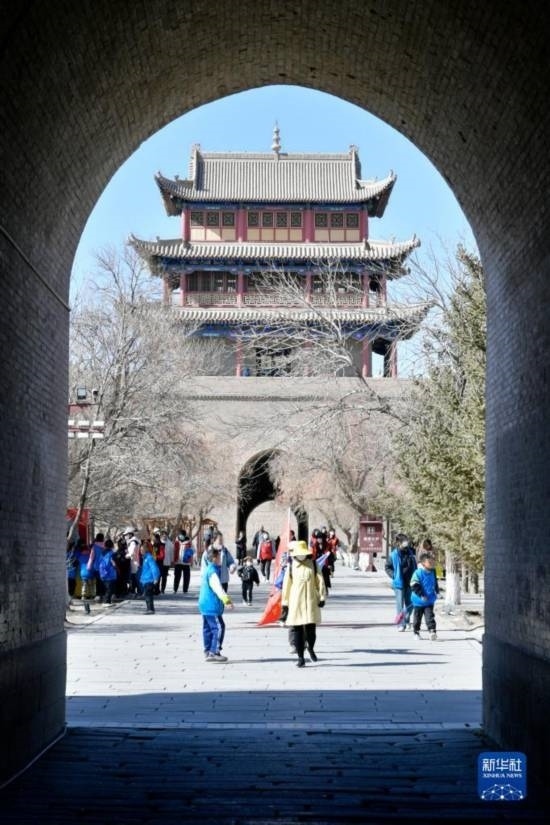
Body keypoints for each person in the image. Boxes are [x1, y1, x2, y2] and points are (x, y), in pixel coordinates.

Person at [281, 540, 326, 667]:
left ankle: (310, 648)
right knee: (297, 631)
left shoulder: (313, 564)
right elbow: (286, 586)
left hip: (311, 601)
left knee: (311, 631)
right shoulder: (291, 567)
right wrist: (285, 603)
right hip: (296, 602)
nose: (301, 556)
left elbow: (320, 581)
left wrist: (322, 597)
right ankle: (300, 657)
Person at [198, 546, 234, 662]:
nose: (220, 559)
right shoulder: (212, 572)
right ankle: (214, 651)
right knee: (218, 627)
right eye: (219, 557)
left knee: (207, 628)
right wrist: (226, 601)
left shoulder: (208, 569)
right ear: (214, 558)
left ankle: (207, 650)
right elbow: (218, 588)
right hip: (211, 605)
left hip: (204, 604)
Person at [385, 533, 417, 631]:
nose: (406, 542)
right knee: (400, 605)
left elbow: (415, 565)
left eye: (406, 540)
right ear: (399, 542)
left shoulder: (411, 552)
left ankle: (406, 620)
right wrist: (394, 576)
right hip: (399, 583)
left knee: (411, 604)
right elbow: (387, 567)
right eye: (404, 541)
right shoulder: (393, 555)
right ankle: (400, 624)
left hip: (411, 582)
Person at [410, 545, 439, 640]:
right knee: (417, 617)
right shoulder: (418, 573)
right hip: (418, 600)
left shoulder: (432, 572)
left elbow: (434, 583)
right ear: (423, 563)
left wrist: (437, 592)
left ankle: (432, 631)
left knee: (430, 616)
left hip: (429, 600)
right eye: (429, 562)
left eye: (432, 562)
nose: (431, 564)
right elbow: (414, 585)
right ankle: (416, 632)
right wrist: (421, 595)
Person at [139, 542, 160, 614]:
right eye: (140, 550)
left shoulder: (149, 558)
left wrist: (155, 578)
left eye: (142, 550)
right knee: (147, 595)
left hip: (149, 579)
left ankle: (150, 609)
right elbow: (145, 570)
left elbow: (154, 568)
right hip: (145, 579)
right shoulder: (145, 558)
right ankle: (150, 608)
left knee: (148, 595)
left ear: (146, 550)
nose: (141, 551)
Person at [98, 538, 118, 605]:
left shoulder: (102, 553)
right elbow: (113, 563)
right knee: (110, 589)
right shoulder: (112, 553)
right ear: (112, 546)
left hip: (102, 572)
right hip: (110, 573)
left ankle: (106, 601)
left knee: (106, 588)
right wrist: (116, 568)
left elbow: (99, 562)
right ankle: (107, 602)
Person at [123, 527, 142, 597]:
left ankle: (138, 592)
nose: (126, 536)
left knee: (135, 578)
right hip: (135, 562)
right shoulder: (135, 541)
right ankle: (136, 591)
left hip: (134, 562)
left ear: (130, 534)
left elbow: (132, 553)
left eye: (127, 535)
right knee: (135, 578)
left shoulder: (133, 542)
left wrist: (125, 556)